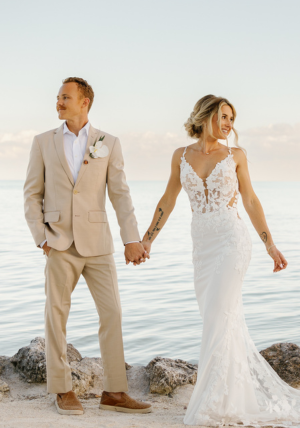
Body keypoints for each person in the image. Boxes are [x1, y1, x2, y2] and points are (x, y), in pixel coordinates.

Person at [142, 95, 300, 426]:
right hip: (202, 247)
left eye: (231, 118)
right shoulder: (180, 156)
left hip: (232, 241)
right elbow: (168, 199)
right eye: (223, 116)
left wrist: (271, 246)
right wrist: (147, 240)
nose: (229, 124)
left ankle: (210, 401)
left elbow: (251, 201)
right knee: (219, 320)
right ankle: (232, 398)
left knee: (218, 315)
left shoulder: (236, 155)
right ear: (204, 117)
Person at [23, 77, 152, 416]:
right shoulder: (42, 142)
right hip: (59, 243)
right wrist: (42, 237)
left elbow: (120, 194)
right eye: (57, 97)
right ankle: (62, 389)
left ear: (85, 102)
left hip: (98, 244)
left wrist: (131, 239)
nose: (58, 102)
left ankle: (114, 392)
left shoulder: (108, 142)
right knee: (56, 316)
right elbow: (31, 194)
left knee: (112, 313)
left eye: (65, 97)